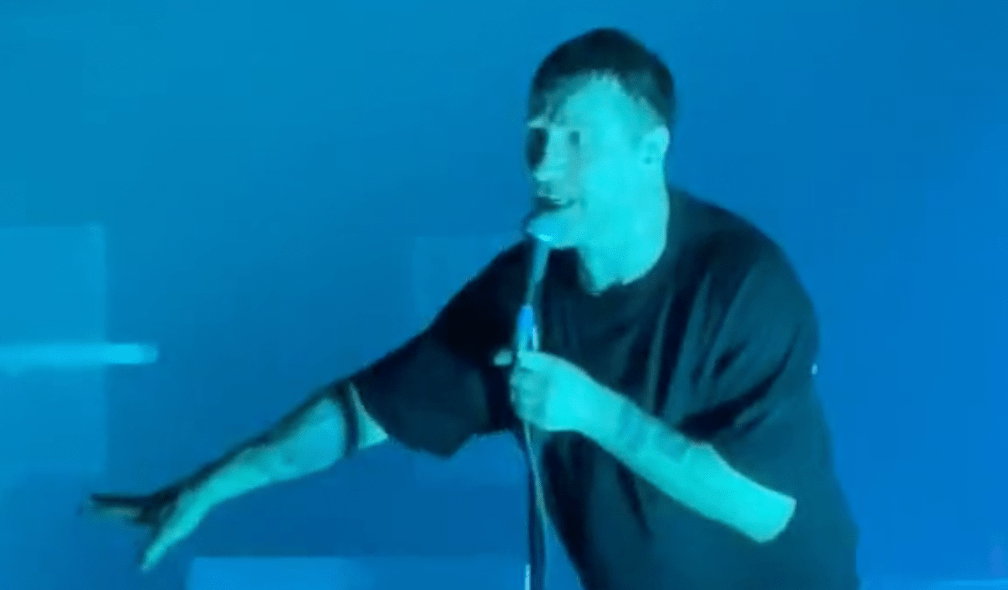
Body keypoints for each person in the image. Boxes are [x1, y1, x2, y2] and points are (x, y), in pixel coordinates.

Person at [84, 27, 860, 590]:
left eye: (575, 140)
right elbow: (364, 412)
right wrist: (211, 486)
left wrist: (592, 411)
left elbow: (763, 508)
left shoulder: (743, 284)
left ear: (650, 150)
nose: (544, 167)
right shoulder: (522, 291)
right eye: (536, 138)